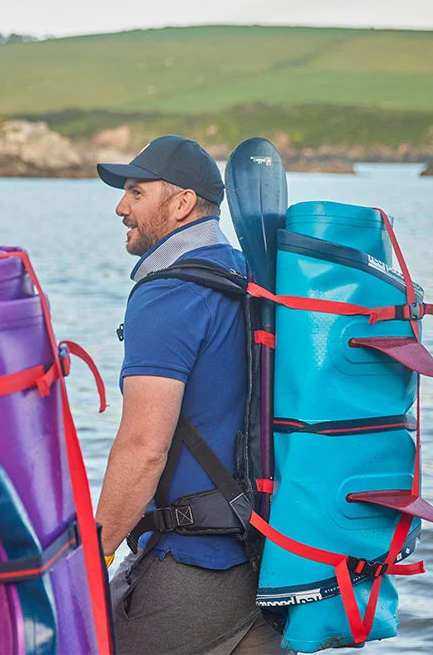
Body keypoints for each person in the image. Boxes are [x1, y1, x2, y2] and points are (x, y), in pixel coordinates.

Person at [94, 136, 283, 653]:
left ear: (181, 203)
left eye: (136, 192)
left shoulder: (168, 293)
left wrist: (94, 554)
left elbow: (143, 447)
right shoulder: (252, 277)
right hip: (272, 561)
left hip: (194, 567)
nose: (120, 207)